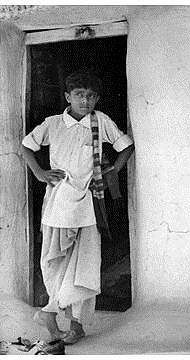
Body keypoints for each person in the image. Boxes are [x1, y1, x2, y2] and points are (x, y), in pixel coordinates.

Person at [21, 70, 135, 345]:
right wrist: (39, 173)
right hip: (58, 202)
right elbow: (27, 146)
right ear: (68, 97)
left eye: (91, 96)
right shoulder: (52, 124)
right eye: (80, 95)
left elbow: (125, 146)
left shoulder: (100, 122)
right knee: (54, 261)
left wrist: (112, 173)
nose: (86, 101)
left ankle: (75, 324)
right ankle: (51, 310)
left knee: (85, 263)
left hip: (87, 203)